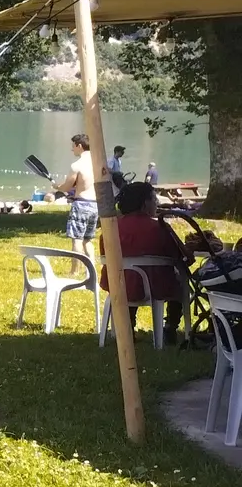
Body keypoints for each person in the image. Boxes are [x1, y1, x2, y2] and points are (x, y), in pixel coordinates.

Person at [108, 182, 190, 341]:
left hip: (117, 284)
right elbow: (183, 258)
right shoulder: (159, 227)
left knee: (130, 278)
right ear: (145, 203)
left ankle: (128, 326)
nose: (157, 202)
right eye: (154, 199)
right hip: (155, 286)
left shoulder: (111, 227)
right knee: (180, 281)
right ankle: (170, 327)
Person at [50, 132, 97, 265]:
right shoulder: (98, 163)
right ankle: (92, 268)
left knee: (77, 239)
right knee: (87, 240)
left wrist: (57, 186)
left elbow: (66, 187)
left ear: (80, 146)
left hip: (81, 204)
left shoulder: (77, 165)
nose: (72, 149)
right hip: (95, 205)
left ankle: (75, 271)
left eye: (73, 146)